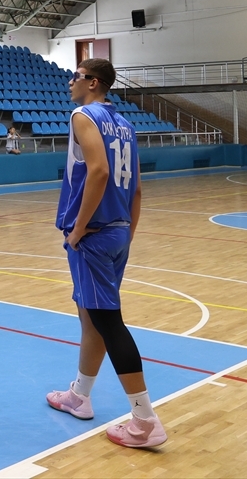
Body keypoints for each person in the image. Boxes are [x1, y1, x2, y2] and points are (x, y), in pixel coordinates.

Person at [44, 59, 165, 448]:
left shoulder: (83, 115)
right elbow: (139, 190)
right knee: (91, 318)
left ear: (92, 83)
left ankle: (145, 421)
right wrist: (128, 232)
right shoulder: (126, 125)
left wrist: (78, 229)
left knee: (109, 323)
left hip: (93, 236)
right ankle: (80, 395)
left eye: (76, 76)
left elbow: (97, 173)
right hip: (117, 232)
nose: (70, 82)